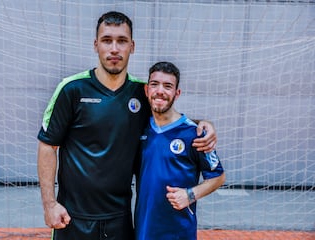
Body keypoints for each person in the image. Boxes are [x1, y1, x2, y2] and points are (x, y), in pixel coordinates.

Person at [37, 11, 217, 240]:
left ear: (132, 46)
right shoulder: (72, 89)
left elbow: (171, 118)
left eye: (121, 41)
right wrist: (49, 204)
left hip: (119, 220)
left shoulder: (141, 93)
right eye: (107, 40)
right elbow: (47, 146)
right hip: (73, 218)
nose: (114, 48)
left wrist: (204, 124)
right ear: (96, 45)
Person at [134, 61, 225, 240]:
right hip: (144, 229)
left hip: (178, 232)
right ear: (146, 90)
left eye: (168, 86)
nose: (160, 91)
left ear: (177, 93)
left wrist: (190, 195)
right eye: (154, 84)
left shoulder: (195, 133)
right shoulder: (139, 128)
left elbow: (218, 177)